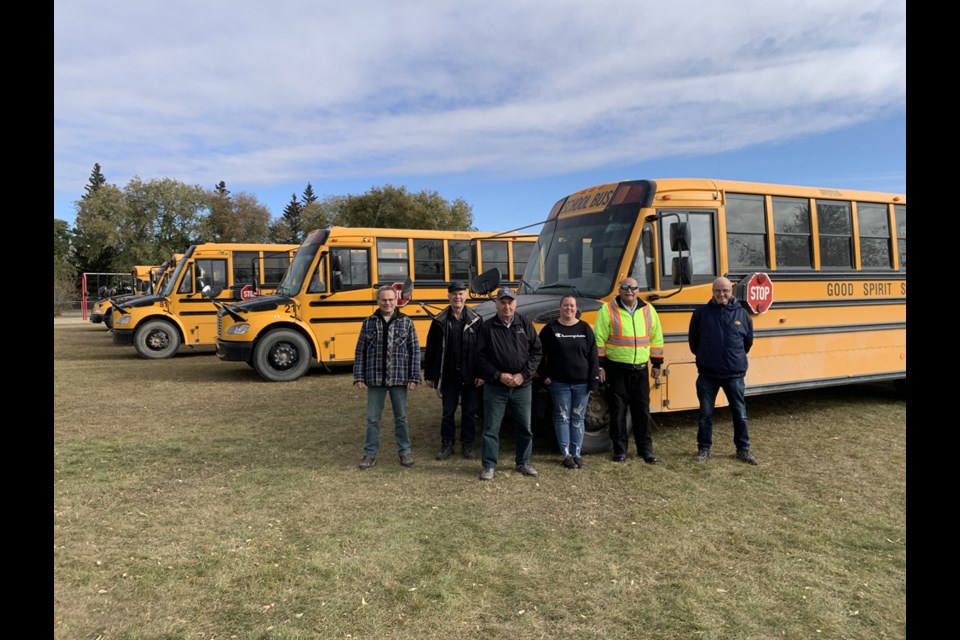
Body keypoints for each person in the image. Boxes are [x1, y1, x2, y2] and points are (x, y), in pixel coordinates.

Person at [688, 276, 758, 465]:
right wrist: (706, 357)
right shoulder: (701, 313)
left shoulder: (742, 314)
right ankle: (704, 449)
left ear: (731, 291)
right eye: (718, 291)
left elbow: (747, 342)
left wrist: (734, 358)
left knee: (740, 413)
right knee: (705, 414)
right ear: (712, 292)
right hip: (707, 374)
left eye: (725, 290)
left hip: (734, 374)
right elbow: (694, 342)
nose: (722, 294)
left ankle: (743, 450)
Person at [594, 277, 663, 464]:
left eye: (633, 288)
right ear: (619, 290)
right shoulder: (607, 310)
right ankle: (620, 451)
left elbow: (656, 337)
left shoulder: (649, 310)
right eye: (625, 287)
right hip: (616, 369)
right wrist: (600, 366)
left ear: (638, 290)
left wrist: (656, 363)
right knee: (618, 413)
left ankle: (645, 451)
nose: (629, 291)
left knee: (642, 411)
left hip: (640, 370)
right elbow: (598, 339)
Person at [475, 287, 542, 481]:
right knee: (491, 428)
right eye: (502, 302)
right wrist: (497, 375)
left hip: (522, 386)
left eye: (510, 302)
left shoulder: (525, 323)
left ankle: (523, 462)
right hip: (496, 387)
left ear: (515, 303)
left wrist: (523, 374)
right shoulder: (487, 327)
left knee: (525, 427)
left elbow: (536, 352)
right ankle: (488, 465)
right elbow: (480, 357)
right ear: (496, 304)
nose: (506, 306)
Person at [354, 285, 421, 470]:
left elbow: (414, 351)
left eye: (391, 299)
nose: (388, 303)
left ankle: (405, 452)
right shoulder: (368, 322)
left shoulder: (406, 322)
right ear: (378, 301)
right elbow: (360, 351)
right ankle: (369, 454)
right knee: (373, 419)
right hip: (375, 379)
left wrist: (414, 377)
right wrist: (359, 376)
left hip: (399, 379)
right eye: (384, 300)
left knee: (401, 418)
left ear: (396, 300)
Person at [423, 281, 483, 460]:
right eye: (454, 294)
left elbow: (482, 350)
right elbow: (432, 349)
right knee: (448, 412)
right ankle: (447, 444)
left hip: (470, 375)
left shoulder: (476, 320)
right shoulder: (439, 321)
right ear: (448, 296)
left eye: (461, 293)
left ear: (466, 296)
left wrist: (481, 374)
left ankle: (467, 444)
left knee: (469, 412)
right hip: (448, 375)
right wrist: (429, 374)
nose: (458, 297)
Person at [538, 295, 600, 469]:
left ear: (576, 309)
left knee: (578, 418)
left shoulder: (584, 328)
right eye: (566, 305)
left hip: (582, 383)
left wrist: (593, 379)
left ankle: (577, 453)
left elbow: (593, 356)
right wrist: (543, 376)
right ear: (560, 308)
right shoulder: (551, 329)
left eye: (572, 306)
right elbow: (537, 354)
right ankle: (566, 454)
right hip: (559, 384)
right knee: (562, 417)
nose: (569, 309)